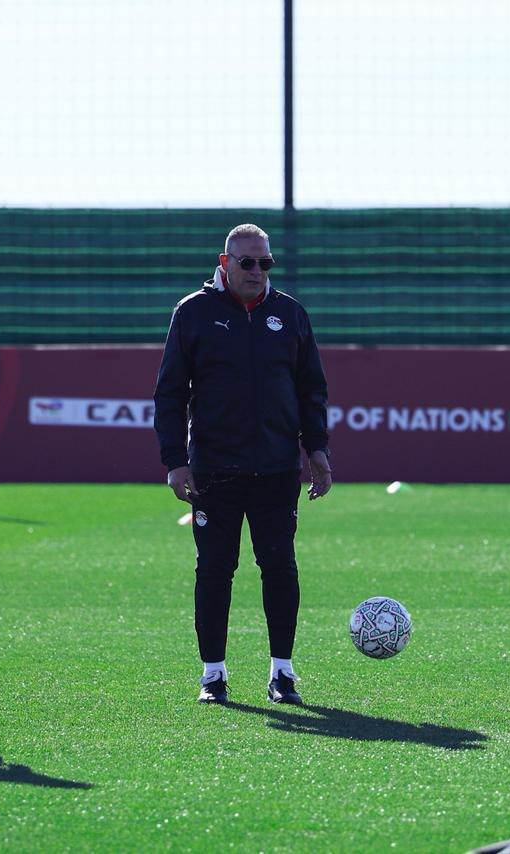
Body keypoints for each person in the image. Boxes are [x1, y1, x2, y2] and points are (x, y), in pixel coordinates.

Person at [153, 223, 332, 706]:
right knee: (214, 569)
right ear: (225, 262)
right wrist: (175, 461)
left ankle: (283, 673)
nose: (257, 271)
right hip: (214, 469)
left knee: (280, 567)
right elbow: (170, 393)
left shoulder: (290, 314)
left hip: (276, 468)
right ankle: (213, 675)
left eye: (265, 262)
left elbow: (311, 390)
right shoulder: (193, 312)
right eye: (247, 262)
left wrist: (317, 450)